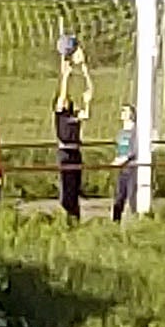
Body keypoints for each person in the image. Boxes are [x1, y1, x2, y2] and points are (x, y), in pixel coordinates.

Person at [53, 53, 93, 220]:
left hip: (76, 151)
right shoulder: (61, 114)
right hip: (65, 152)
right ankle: (67, 215)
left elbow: (89, 96)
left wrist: (85, 72)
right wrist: (66, 76)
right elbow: (61, 97)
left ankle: (75, 216)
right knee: (67, 186)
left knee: (75, 187)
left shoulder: (74, 113)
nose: (68, 100)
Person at [111, 104, 136, 222]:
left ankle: (136, 219)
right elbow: (120, 147)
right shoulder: (121, 132)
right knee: (119, 196)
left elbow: (133, 150)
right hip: (122, 168)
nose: (122, 113)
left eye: (125, 111)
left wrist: (123, 159)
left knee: (132, 196)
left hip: (131, 167)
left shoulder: (135, 131)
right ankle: (116, 221)